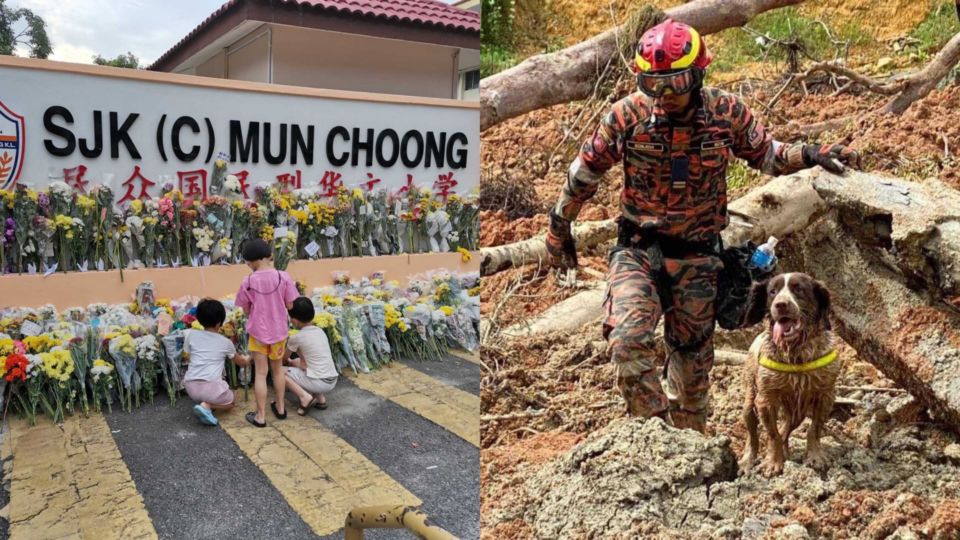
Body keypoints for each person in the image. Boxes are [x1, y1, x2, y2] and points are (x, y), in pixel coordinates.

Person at [545, 19, 862, 433]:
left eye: (674, 82)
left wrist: (812, 153)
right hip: (639, 250)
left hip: (699, 257)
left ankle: (691, 446)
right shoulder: (626, 116)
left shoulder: (725, 112)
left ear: (697, 75)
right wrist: (559, 228)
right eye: (652, 83)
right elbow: (584, 173)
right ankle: (655, 437)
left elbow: (767, 154)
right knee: (627, 341)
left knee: (692, 367)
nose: (663, 95)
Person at [235, 238, 299, 427]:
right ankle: (280, 408)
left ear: (252, 260)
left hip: (258, 334)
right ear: (268, 256)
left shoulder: (247, 281)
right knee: (277, 370)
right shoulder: (283, 277)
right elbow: (290, 304)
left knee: (261, 374)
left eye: (247, 262)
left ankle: (261, 416)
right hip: (279, 332)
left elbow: (245, 310)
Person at [183, 298, 248, 426]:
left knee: (209, 390)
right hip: (211, 388)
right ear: (219, 323)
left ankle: (204, 405)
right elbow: (240, 362)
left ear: (199, 319)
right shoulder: (225, 342)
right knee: (231, 403)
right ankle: (208, 405)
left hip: (190, 386)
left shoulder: (190, 334)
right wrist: (249, 359)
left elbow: (187, 356)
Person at [283, 297, 338, 415]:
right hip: (332, 379)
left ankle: (304, 397)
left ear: (295, 321)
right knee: (297, 362)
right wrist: (293, 362)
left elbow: (283, 359)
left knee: (279, 372)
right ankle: (320, 399)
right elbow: (305, 361)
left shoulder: (297, 337)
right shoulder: (320, 331)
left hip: (319, 382)